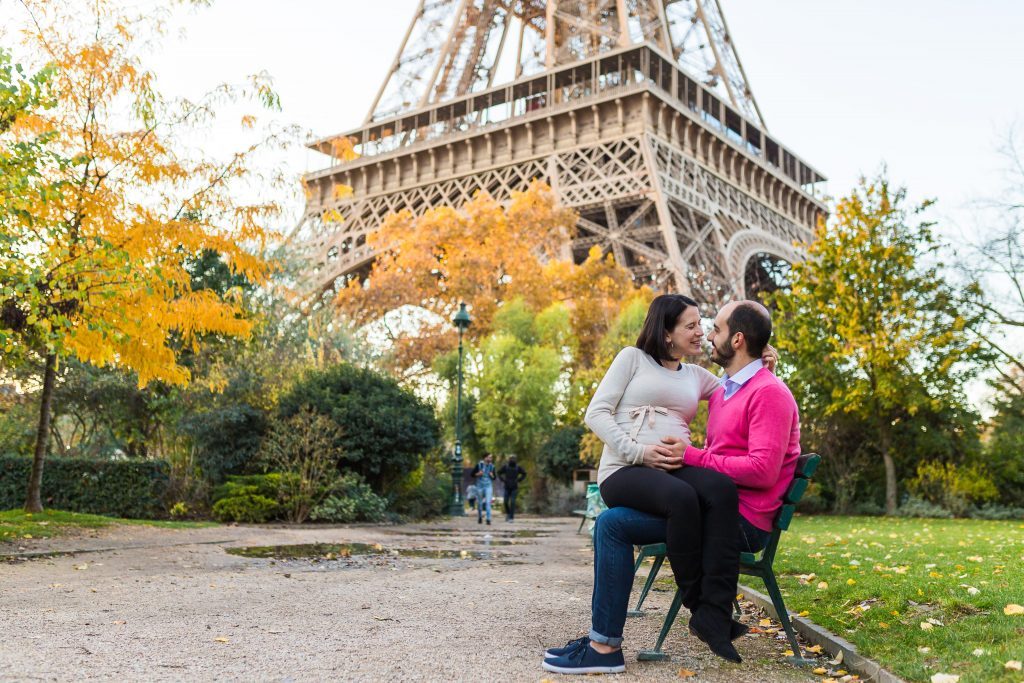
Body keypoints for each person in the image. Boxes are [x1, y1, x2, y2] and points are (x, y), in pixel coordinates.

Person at [542, 298, 799, 675]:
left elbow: (744, 387)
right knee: (670, 501)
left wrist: (765, 364)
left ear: (739, 339)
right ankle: (702, 612)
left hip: (707, 499)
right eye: (694, 325)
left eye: (710, 327)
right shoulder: (633, 359)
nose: (704, 333)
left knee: (615, 523)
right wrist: (638, 452)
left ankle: (608, 643)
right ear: (666, 332)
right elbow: (596, 412)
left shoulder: (702, 377)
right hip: (634, 469)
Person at [498, 456, 527, 522]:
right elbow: (499, 472)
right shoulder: (505, 467)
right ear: (509, 460)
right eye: (511, 459)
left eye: (514, 459)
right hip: (507, 486)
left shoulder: (518, 467)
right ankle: (508, 513)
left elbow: (524, 473)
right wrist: (502, 479)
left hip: (514, 487)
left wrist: (519, 480)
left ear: (516, 460)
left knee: (513, 502)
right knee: (505, 501)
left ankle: (511, 517)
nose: (512, 460)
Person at [473, 454, 496, 525]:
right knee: (479, 503)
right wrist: (478, 474)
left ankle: (488, 519)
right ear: (485, 458)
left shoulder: (492, 466)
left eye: (491, 458)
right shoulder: (478, 465)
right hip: (480, 486)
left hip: (488, 486)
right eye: (489, 457)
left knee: (488, 502)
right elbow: (472, 474)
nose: (490, 459)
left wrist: (492, 475)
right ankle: (480, 517)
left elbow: (494, 477)